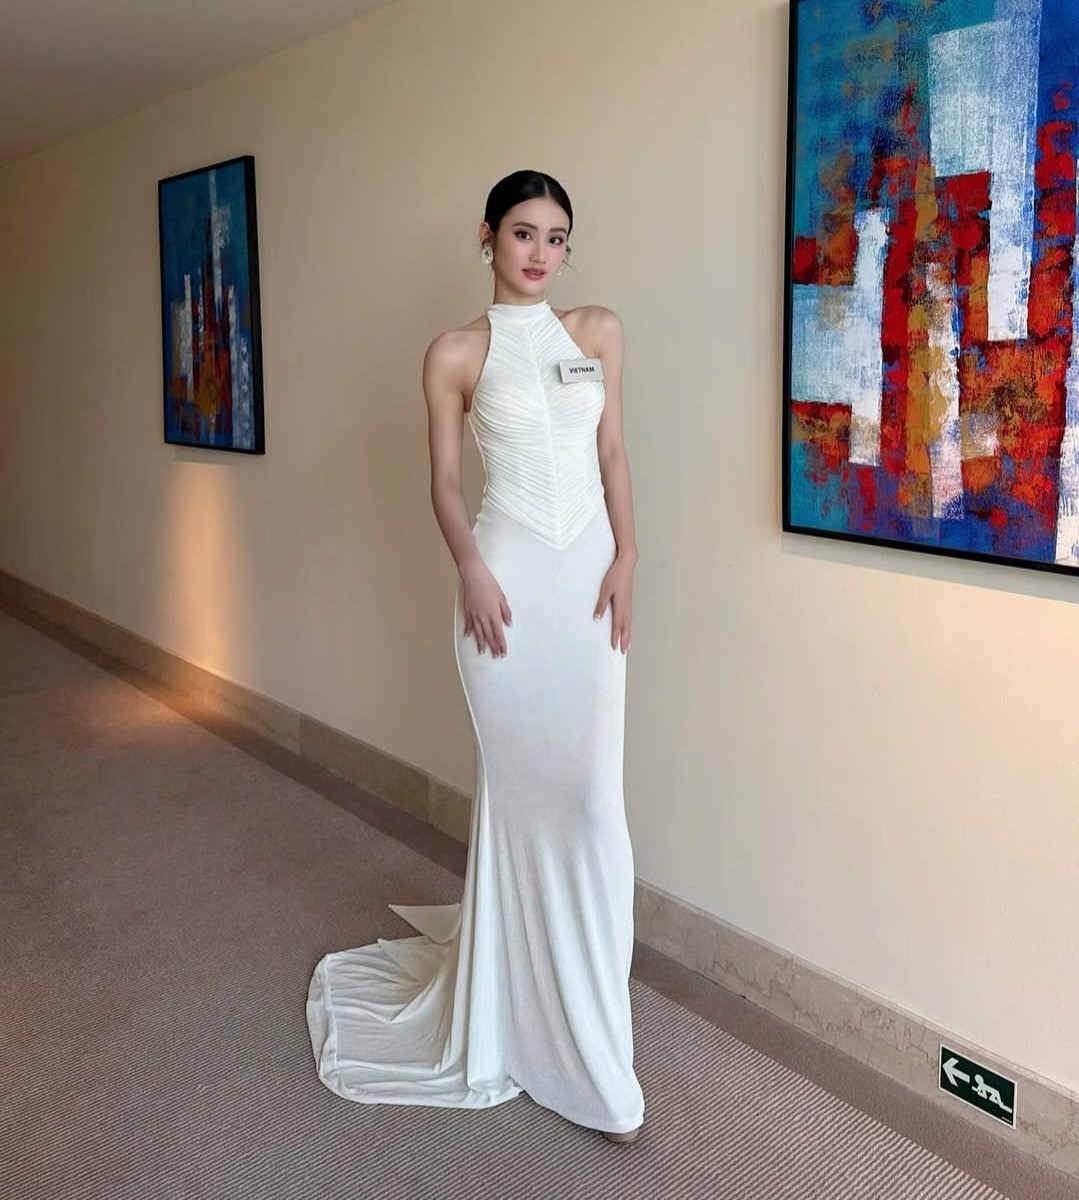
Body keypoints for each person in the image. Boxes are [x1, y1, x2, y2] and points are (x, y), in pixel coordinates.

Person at [306, 169, 644, 1144]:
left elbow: (611, 454)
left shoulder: (597, 332)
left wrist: (629, 557)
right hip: (504, 583)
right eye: (523, 232)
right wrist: (469, 570)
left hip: (588, 584)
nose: (540, 253)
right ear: (488, 237)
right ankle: (522, 1018)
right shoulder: (455, 352)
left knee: (590, 802)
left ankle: (586, 1021)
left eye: (556, 237)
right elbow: (446, 484)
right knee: (523, 794)